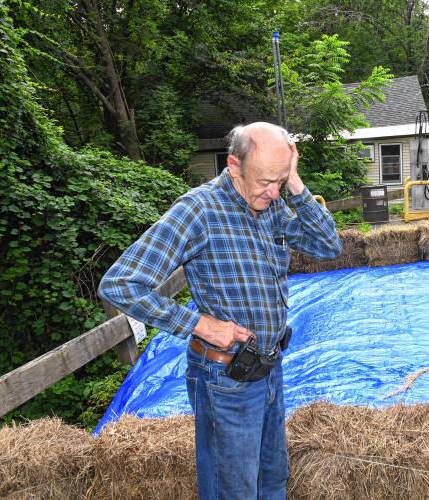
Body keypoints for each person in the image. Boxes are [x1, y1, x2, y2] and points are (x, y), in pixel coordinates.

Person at [98, 122, 343, 499]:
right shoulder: (198, 211)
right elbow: (120, 284)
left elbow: (329, 245)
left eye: (280, 181)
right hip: (225, 374)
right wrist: (200, 324)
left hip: (269, 365)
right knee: (234, 489)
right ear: (233, 165)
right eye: (265, 181)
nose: (273, 192)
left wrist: (293, 182)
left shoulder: (272, 205)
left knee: (272, 479)